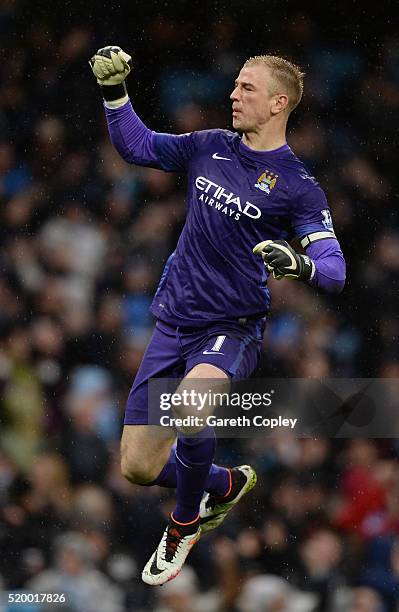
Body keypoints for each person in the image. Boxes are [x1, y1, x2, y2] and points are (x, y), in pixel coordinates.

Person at [89, 46, 346, 586]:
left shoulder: (299, 185)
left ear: (279, 103)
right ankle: (222, 484)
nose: (233, 94)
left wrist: (298, 264)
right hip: (174, 321)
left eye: (247, 88)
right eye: (234, 85)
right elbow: (137, 146)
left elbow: (334, 268)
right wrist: (116, 94)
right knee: (136, 467)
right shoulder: (209, 146)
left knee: (191, 409)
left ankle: (184, 523)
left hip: (231, 328)